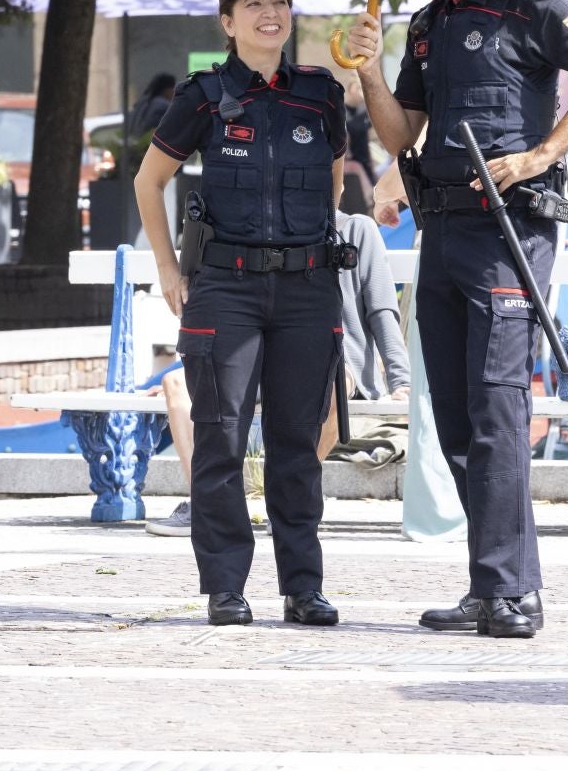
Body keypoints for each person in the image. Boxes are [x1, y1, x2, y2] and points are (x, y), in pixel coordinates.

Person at [348, 0, 568, 639]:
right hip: (440, 230)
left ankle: (508, 592)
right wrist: (367, 70)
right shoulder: (425, 24)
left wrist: (543, 153)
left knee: (497, 411)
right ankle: (499, 587)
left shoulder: (530, 0)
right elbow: (400, 132)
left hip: (510, 230)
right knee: (455, 420)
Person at [134, 0, 348, 628]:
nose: (269, 12)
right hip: (225, 288)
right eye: (252, 3)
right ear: (228, 22)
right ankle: (225, 584)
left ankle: (303, 585)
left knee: (297, 439)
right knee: (222, 436)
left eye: (279, 0)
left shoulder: (321, 93)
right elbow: (149, 180)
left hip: (307, 286)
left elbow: (334, 183)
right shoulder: (202, 96)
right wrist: (170, 269)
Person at [145, 209, 410, 537]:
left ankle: (291, 501)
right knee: (175, 384)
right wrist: (193, 375)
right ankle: (209, 505)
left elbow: (382, 309)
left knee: (329, 382)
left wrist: (401, 380)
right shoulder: (260, 231)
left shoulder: (357, 228)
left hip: (337, 362)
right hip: (257, 358)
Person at [125, 72, 177, 139]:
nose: (174, 92)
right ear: (168, 90)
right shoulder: (163, 106)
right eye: (173, 89)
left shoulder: (142, 104)